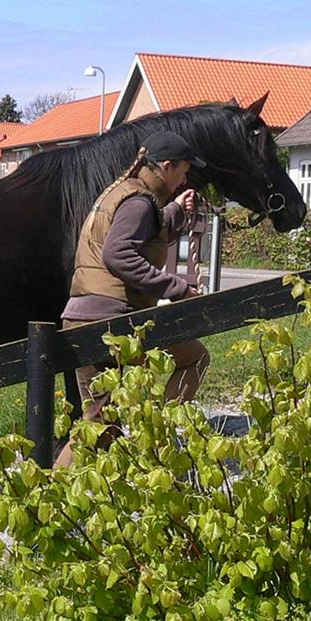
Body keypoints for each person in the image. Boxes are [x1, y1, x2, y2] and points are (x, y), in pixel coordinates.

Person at [55, 131, 211, 468]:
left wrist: (174, 212)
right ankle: (153, 442)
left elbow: (143, 229)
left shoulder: (124, 192)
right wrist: (177, 288)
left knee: (100, 421)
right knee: (194, 359)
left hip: (85, 315)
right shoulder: (139, 203)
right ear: (166, 167)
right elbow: (119, 254)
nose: (184, 179)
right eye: (182, 171)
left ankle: (52, 499)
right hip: (111, 319)